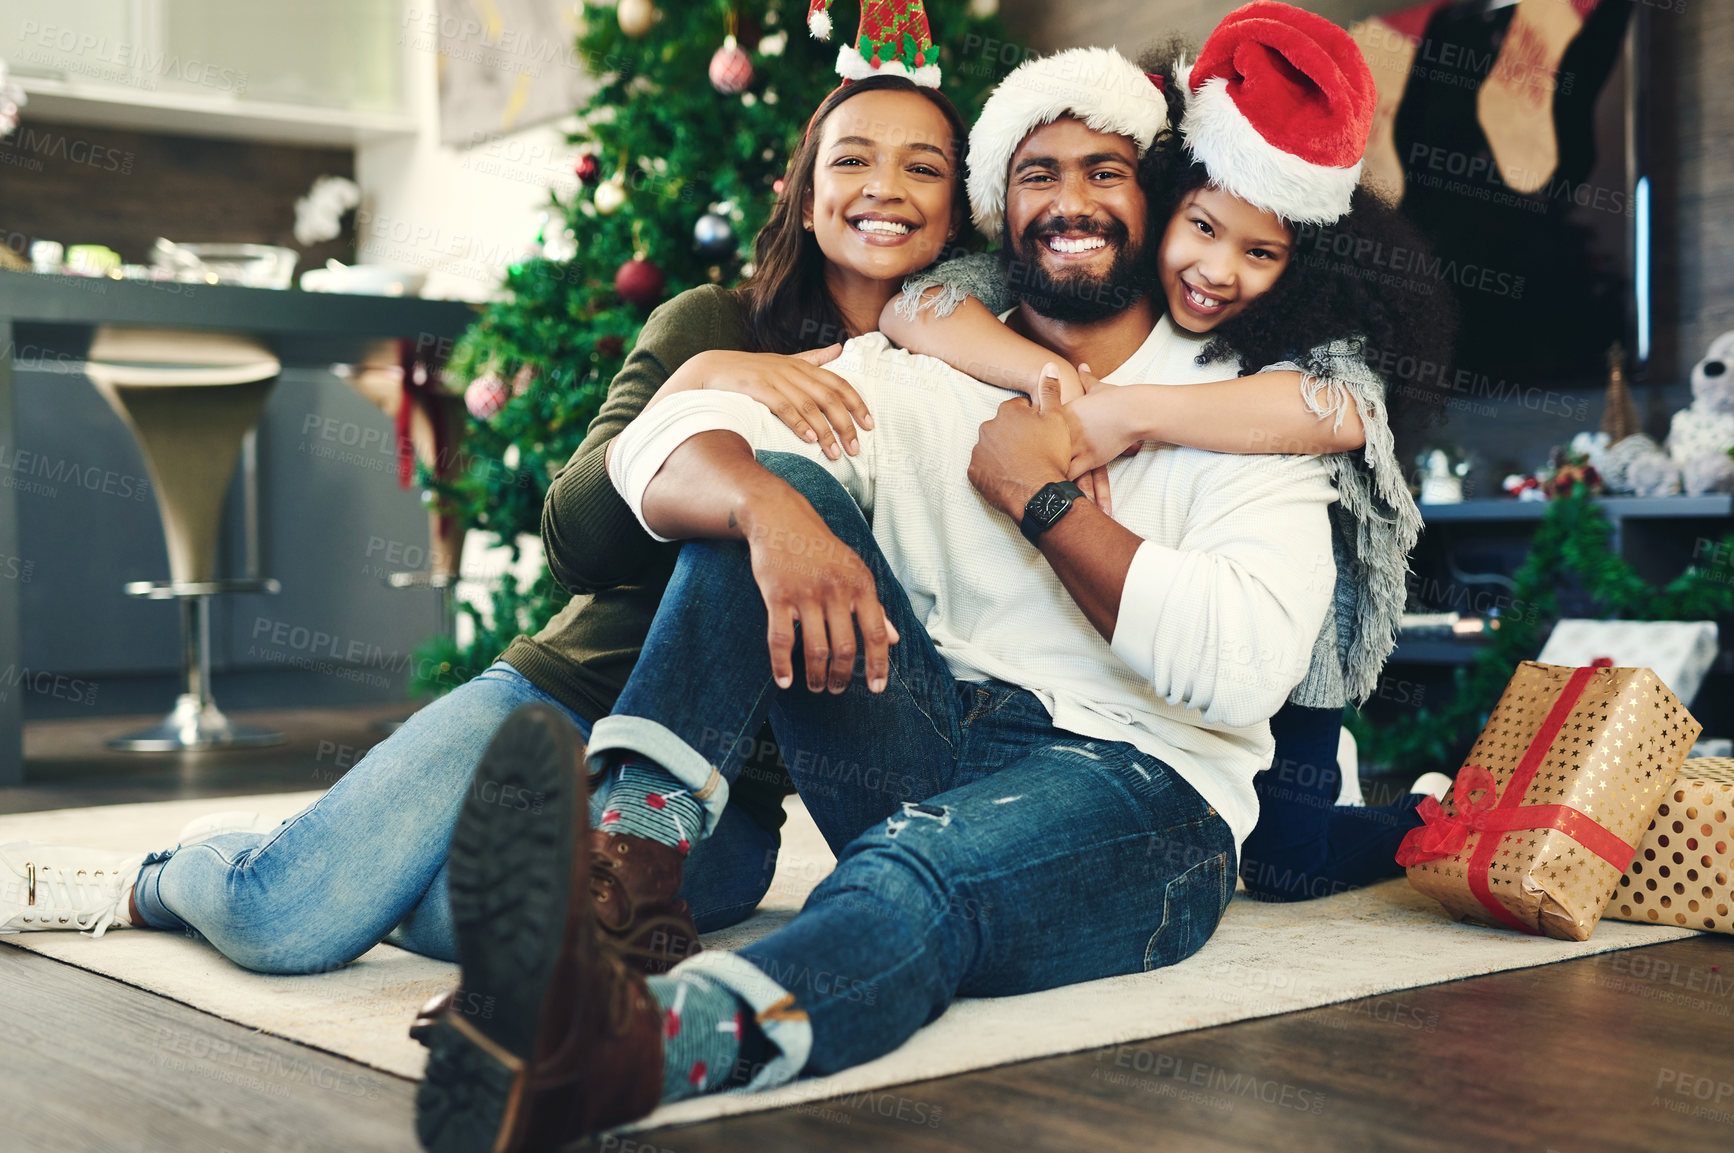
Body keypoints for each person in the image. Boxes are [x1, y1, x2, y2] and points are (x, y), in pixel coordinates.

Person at [411, 17, 1375, 1150]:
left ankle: (639, 1044)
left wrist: (1045, 500)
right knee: (771, 490)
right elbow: (666, 444)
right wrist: (764, 500)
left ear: (1153, 199)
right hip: (930, 737)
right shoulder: (933, 369)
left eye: (1104, 172)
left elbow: (1239, 669)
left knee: (914, 868)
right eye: (1036, 174)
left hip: (1145, 793)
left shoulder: (1247, 410)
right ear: (998, 213)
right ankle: (624, 877)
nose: (1071, 201)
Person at [0, 71, 969, 975]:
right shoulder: (712, 325)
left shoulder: (961, 384)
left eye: (921, 166)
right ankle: (154, 877)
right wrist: (698, 385)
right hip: (557, 701)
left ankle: (393, 857)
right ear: (805, 199)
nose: (885, 186)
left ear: (957, 211)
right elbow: (572, 539)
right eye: (852, 158)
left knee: (456, 922)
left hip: (723, 796)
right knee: (279, 920)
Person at [880, 12, 1458, 902]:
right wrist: (1051, 377)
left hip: (1306, 645)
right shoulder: (1102, 270)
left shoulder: (1302, 343)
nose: (1218, 269)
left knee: (1285, 863)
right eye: (1200, 228)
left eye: (1259, 252)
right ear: (1160, 205)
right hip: (1173, 673)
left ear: (1300, 265)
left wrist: (1131, 413)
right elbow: (913, 307)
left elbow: (1344, 412)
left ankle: (1420, 816)